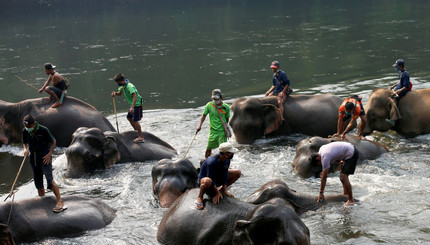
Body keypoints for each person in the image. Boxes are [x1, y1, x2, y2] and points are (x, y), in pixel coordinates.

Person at [22, 114, 66, 213]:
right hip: (33, 158)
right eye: (26, 127)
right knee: (38, 182)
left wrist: (50, 154)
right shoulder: (25, 131)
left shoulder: (43, 130)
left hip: (44, 157)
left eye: (29, 126)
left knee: (49, 179)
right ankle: (42, 200)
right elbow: (24, 142)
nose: (27, 128)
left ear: (34, 124)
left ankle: (60, 201)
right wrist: (25, 149)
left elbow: (53, 141)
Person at [310, 141, 359, 207]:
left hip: (351, 154)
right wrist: (338, 162)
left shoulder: (324, 157)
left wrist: (321, 193)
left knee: (343, 177)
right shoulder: (321, 150)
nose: (321, 164)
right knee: (342, 176)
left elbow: (324, 177)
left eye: (319, 163)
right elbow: (333, 153)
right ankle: (346, 195)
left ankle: (351, 200)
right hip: (348, 149)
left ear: (317, 158)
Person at [195, 142, 241, 210]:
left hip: (217, 177)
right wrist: (217, 193)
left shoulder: (227, 160)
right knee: (207, 181)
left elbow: (225, 174)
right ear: (226, 154)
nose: (233, 154)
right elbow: (210, 178)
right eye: (231, 152)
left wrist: (224, 189)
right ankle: (200, 197)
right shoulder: (211, 162)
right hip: (207, 181)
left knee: (237, 172)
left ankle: (222, 190)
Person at [196, 89, 231, 158]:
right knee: (208, 148)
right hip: (213, 132)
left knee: (223, 150)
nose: (215, 100)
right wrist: (199, 126)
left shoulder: (226, 107)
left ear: (221, 98)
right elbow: (203, 116)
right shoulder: (209, 105)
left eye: (216, 99)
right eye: (213, 98)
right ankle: (205, 162)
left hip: (222, 132)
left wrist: (225, 129)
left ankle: (222, 164)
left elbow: (227, 120)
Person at [111, 73, 144, 143]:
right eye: (117, 83)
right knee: (129, 117)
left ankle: (141, 137)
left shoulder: (129, 86)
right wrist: (115, 94)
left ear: (123, 81)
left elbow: (135, 96)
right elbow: (119, 93)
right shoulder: (123, 86)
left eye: (119, 82)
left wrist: (132, 107)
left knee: (135, 121)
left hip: (136, 104)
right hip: (132, 105)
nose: (118, 84)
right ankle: (136, 131)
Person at [386, 59, 412, 126]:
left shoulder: (405, 74)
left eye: (397, 66)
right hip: (399, 87)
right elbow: (401, 81)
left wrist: (398, 91)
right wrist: (394, 86)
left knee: (394, 101)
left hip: (404, 90)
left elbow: (406, 86)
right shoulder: (401, 72)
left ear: (400, 66)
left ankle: (393, 119)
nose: (396, 67)